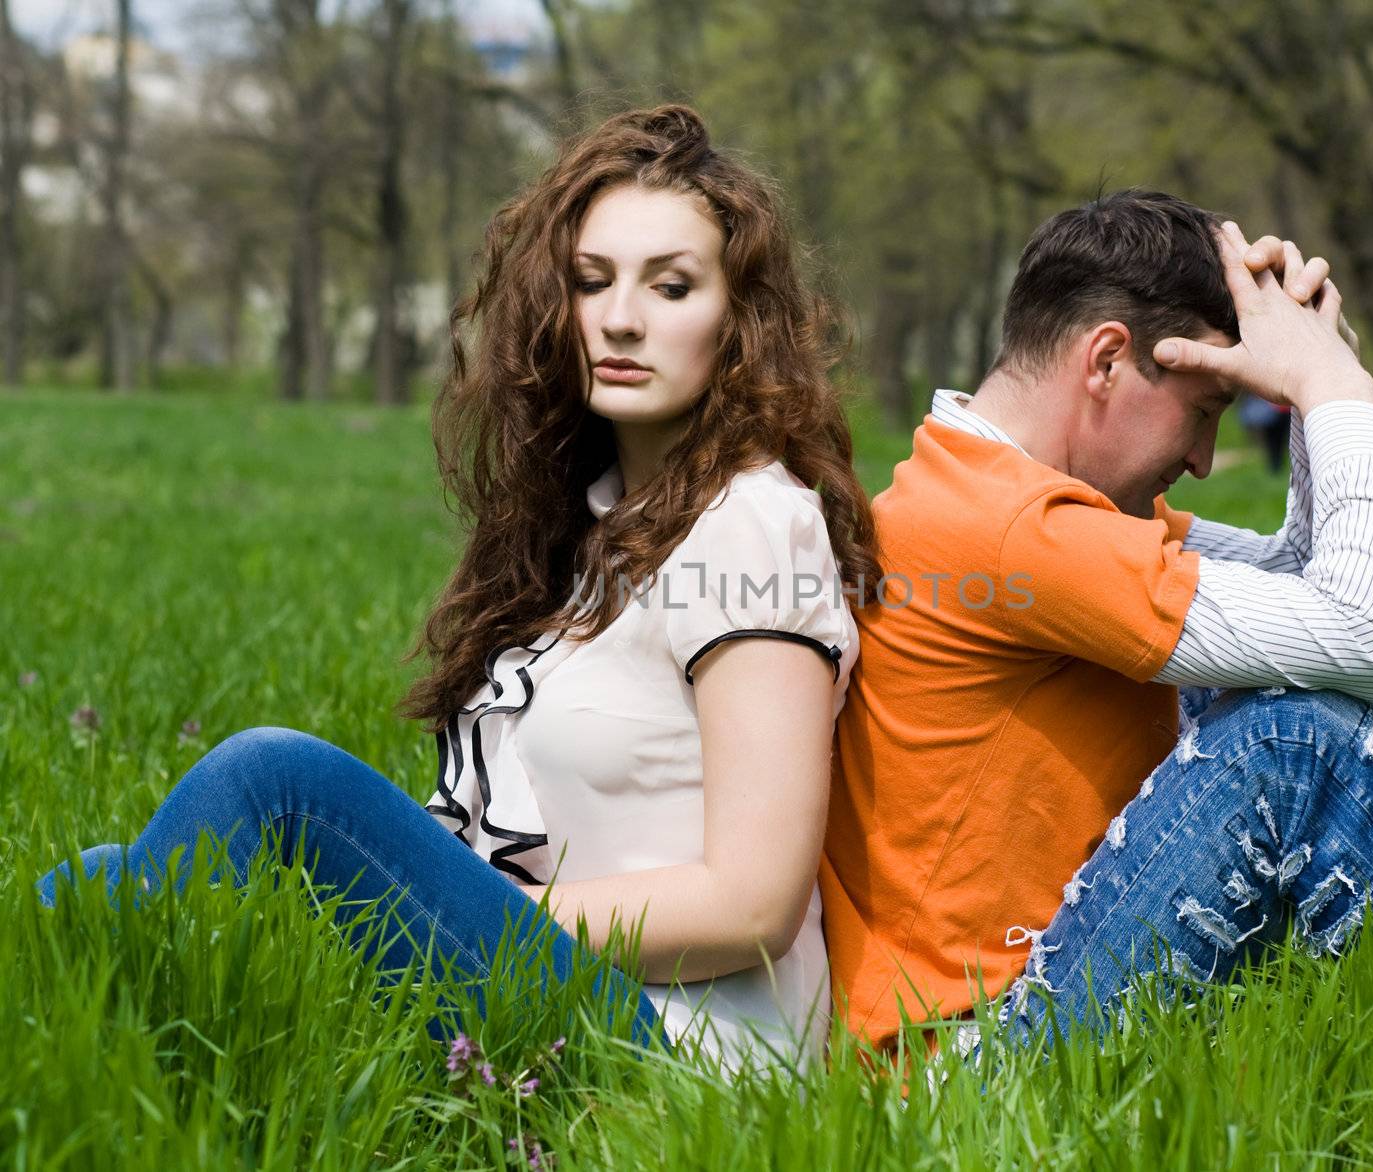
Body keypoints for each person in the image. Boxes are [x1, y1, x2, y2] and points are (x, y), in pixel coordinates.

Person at [35, 105, 880, 1073]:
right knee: (103, 880)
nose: (619, 317)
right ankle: (87, 1082)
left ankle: (87, 1073)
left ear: (739, 319)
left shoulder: (753, 526)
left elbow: (753, 902)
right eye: (591, 282)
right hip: (571, 996)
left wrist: (462, 902)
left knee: (272, 780)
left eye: (672, 286)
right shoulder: (602, 523)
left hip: (689, 1054)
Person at [822, 190, 1373, 1057]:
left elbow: (1315, 591)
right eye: (1204, 410)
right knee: (1291, 741)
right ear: (1107, 362)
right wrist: (1333, 389)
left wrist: (1325, 393)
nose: (1204, 459)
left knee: (1285, 704)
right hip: (975, 1054)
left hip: (997, 1009)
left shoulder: (998, 497)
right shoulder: (1014, 534)